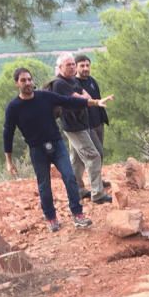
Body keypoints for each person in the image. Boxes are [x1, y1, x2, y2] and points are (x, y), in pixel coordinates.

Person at [3, 67, 112, 231]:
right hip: (37, 149)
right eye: (23, 80)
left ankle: (78, 214)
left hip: (56, 144)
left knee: (69, 177)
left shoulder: (44, 96)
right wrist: (9, 161)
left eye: (29, 79)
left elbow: (68, 101)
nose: (27, 83)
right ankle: (51, 218)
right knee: (44, 185)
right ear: (16, 84)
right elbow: (8, 133)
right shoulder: (14, 107)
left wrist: (95, 102)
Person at [50, 53, 111, 204]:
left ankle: (78, 189)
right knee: (93, 156)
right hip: (73, 126)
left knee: (77, 160)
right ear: (60, 68)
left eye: (72, 64)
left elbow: (85, 95)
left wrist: (92, 101)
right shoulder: (59, 84)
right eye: (68, 65)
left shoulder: (72, 80)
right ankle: (98, 194)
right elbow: (79, 99)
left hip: (82, 123)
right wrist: (92, 101)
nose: (71, 67)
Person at [74, 54, 110, 162]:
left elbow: (98, 99)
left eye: (87, 65)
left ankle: (97, 178)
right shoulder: (74, 84)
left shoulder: (92, 81)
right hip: (86, 125)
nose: (85, 68)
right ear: (76, 67)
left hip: (98, 123)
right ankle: (94, 179)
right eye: (82, 66)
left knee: (96, 155)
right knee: (97, 154)